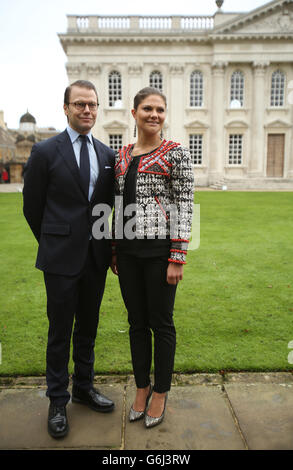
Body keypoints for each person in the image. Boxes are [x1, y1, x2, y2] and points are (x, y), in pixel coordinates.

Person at [23, 80, 115, 439]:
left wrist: (104, 247)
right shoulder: (46, 151)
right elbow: (33, 207)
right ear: (66, 108)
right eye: (79, 104)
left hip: (95, 257)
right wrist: (54, 241)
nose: (87, 110)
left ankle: (84, 387)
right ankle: (57, 400)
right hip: (60, 257)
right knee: (60, 331)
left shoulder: (107, 155)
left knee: (88, 328)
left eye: (92, 104)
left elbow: (106, 209)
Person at [111, 87, 194, 428]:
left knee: (161, 323)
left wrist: (178, 256)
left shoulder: (175, 153)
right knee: (136, 323)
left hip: (160, 253)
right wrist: (114, 251)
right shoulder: (121, 156)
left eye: (160, 109)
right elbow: (117, 207)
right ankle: (142, 387)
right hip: (128, 255)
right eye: (147, 108)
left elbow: (185, 206)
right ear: (134, 113)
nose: (154, 115)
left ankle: (160, 390)